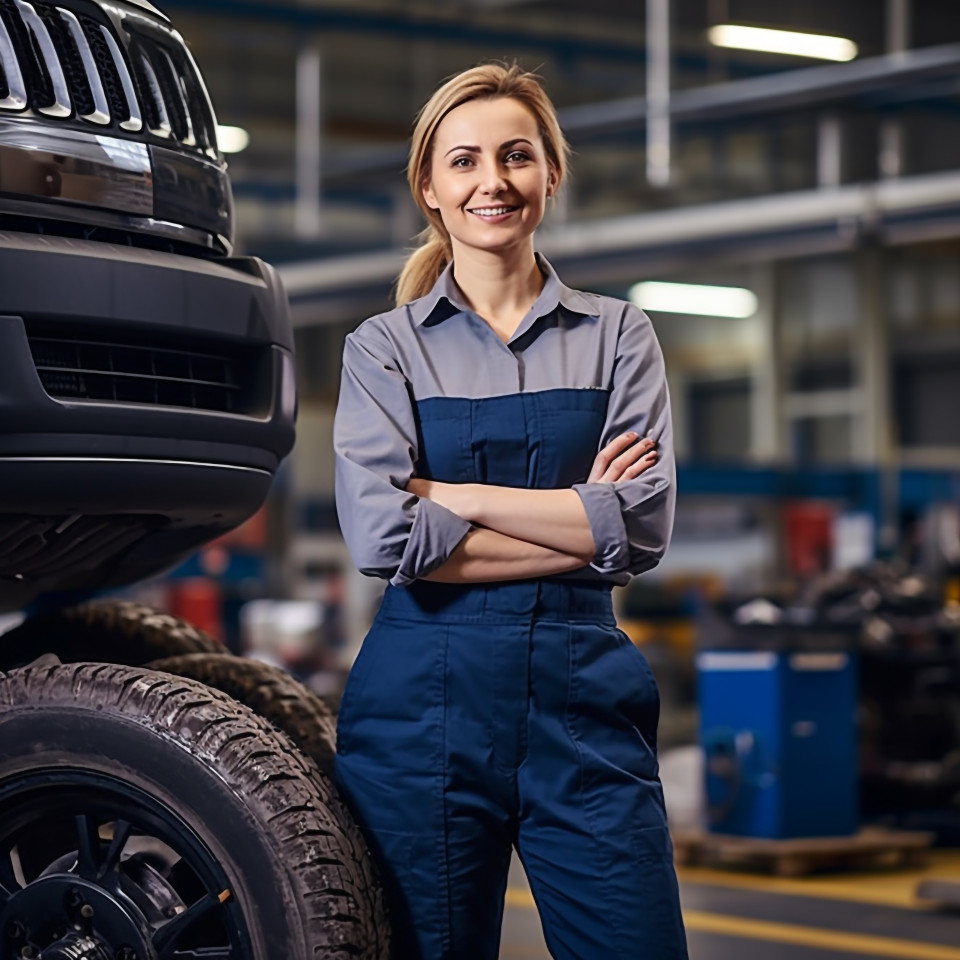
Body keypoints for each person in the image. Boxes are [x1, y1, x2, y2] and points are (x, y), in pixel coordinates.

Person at [333, 62, 688, 960]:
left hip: (583, 704)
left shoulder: (618, 335)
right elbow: (384, 537)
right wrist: (586, 523)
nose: (492, 181)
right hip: (419, 712)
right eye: (464, 161)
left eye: (516, 155)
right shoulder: (384, 349)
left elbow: (643, 527)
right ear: (429, 187)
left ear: (550, 174)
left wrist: (455, 497)